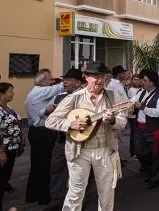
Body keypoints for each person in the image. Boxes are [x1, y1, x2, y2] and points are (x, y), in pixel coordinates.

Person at [45, 61, 127, 210]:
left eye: (102, 76)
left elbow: (122, 123)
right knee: (76, 193)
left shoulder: (113, 97)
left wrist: (113, 119)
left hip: (104, 150)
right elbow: (50, 121)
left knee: (106, 192)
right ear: (86, 77)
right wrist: (70, 125)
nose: (99, 80)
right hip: (79, 151)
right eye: (95, 76)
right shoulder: (74, 98)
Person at [43, 69, 98, 211]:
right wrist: (48, 110)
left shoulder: (86, 97)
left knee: (82, 175)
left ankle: (82, 202)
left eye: (68, 80)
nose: (64, 82)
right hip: (61, 142)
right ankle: (56, 203)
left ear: (78, 82)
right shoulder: (59, 97)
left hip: (81, 143)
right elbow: (49, 119)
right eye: (63, 80)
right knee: (57, 172)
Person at [24, 68, 63, 205]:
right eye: (50, 79)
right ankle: (43, 197)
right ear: (42, 81)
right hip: (42, 132)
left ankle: (32, 195)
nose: (52, 81)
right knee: (45, 165)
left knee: (37, 164)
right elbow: (61, 87)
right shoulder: (41, 91)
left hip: (36, 132)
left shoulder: (34, 93)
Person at [130, 70, 159, 189]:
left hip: (153, 129)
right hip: (139, 128)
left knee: (155, 155)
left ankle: (155, 177)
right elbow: (132, 102)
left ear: (152, 82)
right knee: (139, 152)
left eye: (145, 80)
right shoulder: (141, 92)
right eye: (142, 80)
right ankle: (150, 171)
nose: (143, 82)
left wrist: (144, 108)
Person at [0, 83, 25, 210]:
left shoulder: (7, 107)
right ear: (2, 94)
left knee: (5, 177)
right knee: (2, 178)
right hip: (3, 150)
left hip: (11, 149)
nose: (13, 93)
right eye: (10, 91)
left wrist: (21, 136)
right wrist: (1, 152)